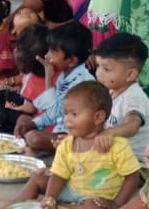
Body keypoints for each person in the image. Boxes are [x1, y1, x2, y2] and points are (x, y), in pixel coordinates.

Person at [0, 81, 141, 209]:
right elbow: (59, 175)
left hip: (95, 198)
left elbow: (132, 177)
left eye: (74, 114)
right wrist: (50, 196)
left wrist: (117, 204)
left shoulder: (116, 145)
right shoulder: (67, 143)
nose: (67, 120)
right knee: (39, 179)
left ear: (98, 117)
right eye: (66, 114)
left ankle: (46, 208)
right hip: (71, 189)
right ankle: (16, 205)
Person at [14, 21, 95, 155]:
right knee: (24, 121)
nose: (47, 56)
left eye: (53, 53)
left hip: (74, 135)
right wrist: (33, 124)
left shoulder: (81, 82)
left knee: (33, 138)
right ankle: (40, 149)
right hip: (59, 126)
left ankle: (49, 150)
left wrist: (48, 79)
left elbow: (55, 113)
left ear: (72, 61)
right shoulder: (65, 76)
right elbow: (52, 115)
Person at [93, 33, 149, 164]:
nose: (98, 72)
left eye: (106, 69)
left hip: (135, 163)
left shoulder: (134, 97)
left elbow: (133, 124)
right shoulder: (112, 91)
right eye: (98, 66)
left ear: (130, 74)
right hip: (116, 155)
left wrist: (109, 133)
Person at [0, 24, 49, 134]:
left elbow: (30, 109)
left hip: (34, 116)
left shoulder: (33, 80)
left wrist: (13, 108)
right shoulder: (47, 71)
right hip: (33, 106)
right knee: (3, 92)